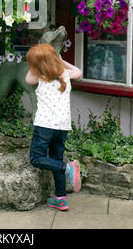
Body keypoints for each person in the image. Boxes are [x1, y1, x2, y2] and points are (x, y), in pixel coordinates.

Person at [25, 43, 82, 211]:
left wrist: (35, 64)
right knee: (56, 158)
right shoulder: (65, 74)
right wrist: (61, 60)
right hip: (62, 126)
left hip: (44, 126)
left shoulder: (40, 75)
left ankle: (67, 167)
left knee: (36, 158)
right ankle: (60, 198)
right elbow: (79, 71)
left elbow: (28, 78)